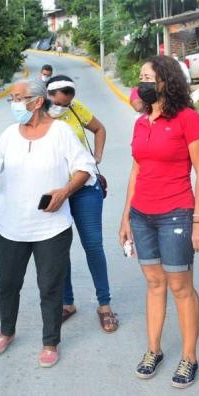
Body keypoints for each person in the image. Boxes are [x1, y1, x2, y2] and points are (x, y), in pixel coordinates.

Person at [0, 79, 95, 369]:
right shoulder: (9, 135)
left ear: (37, 101)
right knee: (7, 284)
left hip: (51, 228)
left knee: (50, 287)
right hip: (11, 227)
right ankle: (6, 332)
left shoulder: (61, 132)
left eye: (18, 98)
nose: (13, 104)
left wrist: (64, 191)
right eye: (11, 99)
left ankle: (50, 341)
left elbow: (85, 167)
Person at [119, 55, 199, 387]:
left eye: (147, 77)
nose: (142, 83)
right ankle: (153, 349)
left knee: (180, 287)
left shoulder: (187, 118)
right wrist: (126, 216)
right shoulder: (141, 122)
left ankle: (189, 357)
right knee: (155, 284)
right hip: (142, 214)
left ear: (165, 82)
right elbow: (136, 169)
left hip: (176, 212)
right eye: (139, 76)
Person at [45, 75, 118, 332]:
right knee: (58, 249)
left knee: (93, 245)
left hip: (85, 189)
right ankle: (67, 303)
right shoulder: (37, 116)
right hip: (55, 193)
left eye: (68, 102)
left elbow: (99, 129)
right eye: (60, 102)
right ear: (48, 95)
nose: (63, 107)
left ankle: (105, 304)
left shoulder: (77, 110)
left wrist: (96, 156)